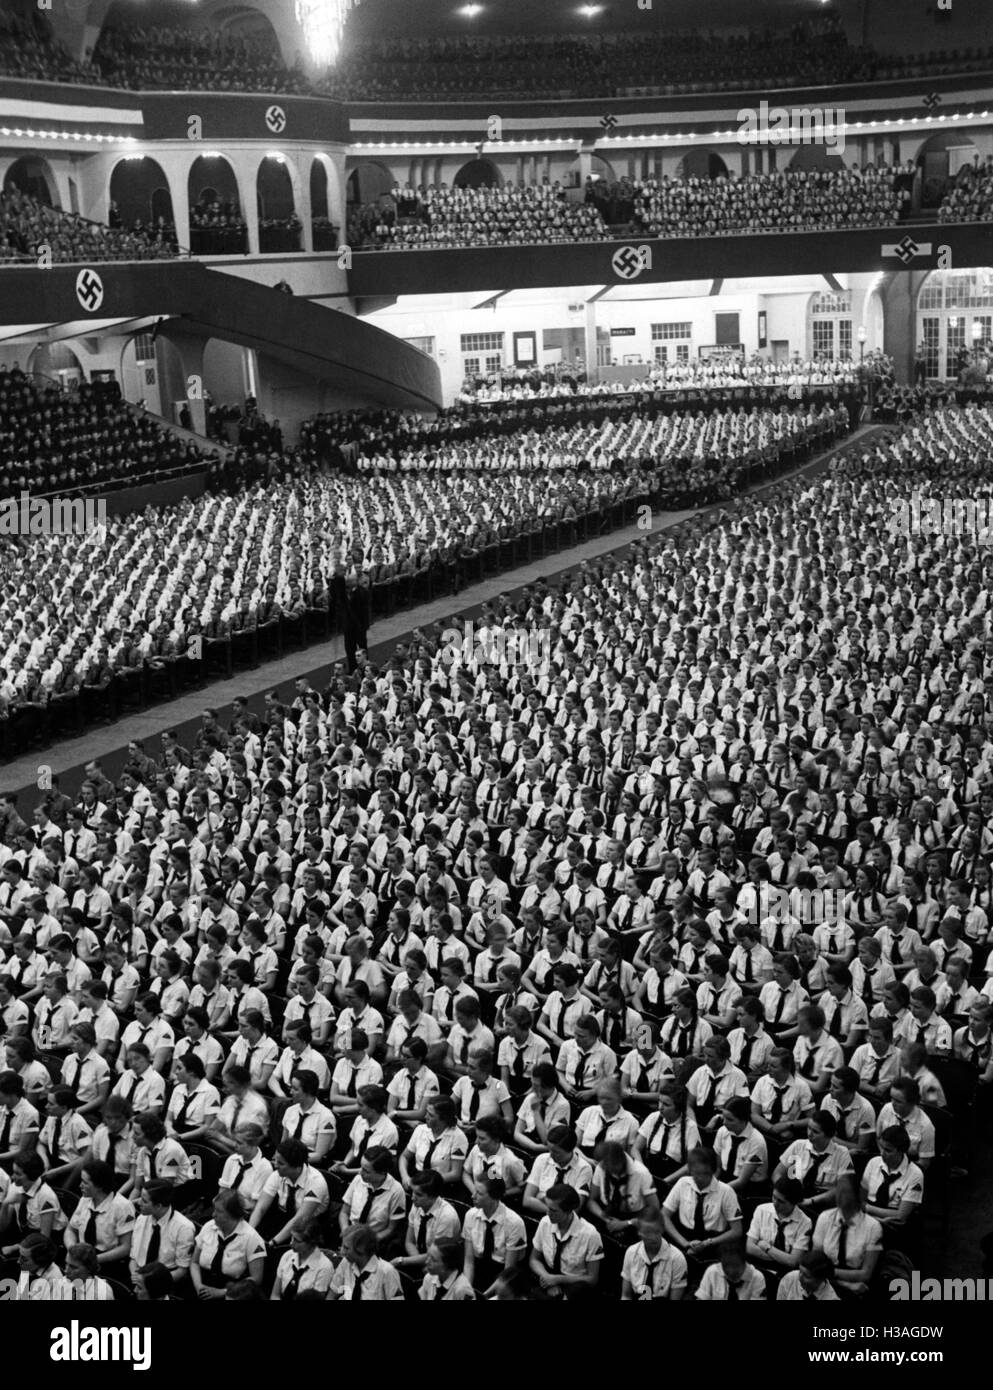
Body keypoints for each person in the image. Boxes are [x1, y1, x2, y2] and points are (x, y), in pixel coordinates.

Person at [529, 1183, 603, 1300]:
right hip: (547, 1278)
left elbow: (592, 1279)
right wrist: (547, 1278)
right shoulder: (545, 1222)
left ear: (568, 1211)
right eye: (548, 1207)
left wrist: (557, 1279)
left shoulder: (590, 1234)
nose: (548, 1213)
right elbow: (534, 1259)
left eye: (554, 1211)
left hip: (575, 1286)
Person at [190, 1190, 266, 1299]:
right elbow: (194, 1262)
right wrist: (199, 1287)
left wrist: (223, 1292)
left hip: (232, 1294)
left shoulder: (252, 1238)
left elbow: (256, 1279)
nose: (213, 1214)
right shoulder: (208, 1227)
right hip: (202, 1288)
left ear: (232, 1214)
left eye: (219, 1211)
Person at [329, 1223, 404, 1300]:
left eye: (346, 1248)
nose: (342, 1252)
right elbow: (332, 1294)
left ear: (361, 1249)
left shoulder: (387, 1272)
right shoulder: (346, 1262)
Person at [270, 1218, 334, 1299]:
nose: (291, 1243)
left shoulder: (324, 1267)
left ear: (311, 1243)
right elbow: (275, 1295)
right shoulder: (287, 1256)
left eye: (297, 1240)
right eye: (292, 1238)